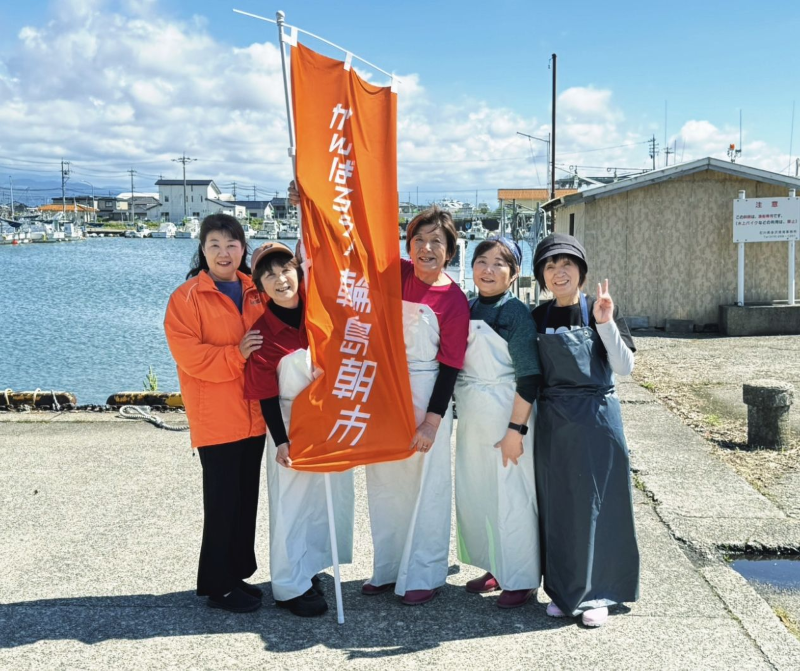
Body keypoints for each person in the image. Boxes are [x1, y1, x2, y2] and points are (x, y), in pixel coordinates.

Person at [531, 233, 639, 628]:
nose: (559, 272)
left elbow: (624, 367)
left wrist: (606, 323)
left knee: (601, 506)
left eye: (567, 264)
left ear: (581, 270)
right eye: (550, 266)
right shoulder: (537, 317)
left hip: (596, 421)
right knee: (560, 508)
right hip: (554, 425)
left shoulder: (599, 307)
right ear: (541, 275)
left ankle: (600, 593)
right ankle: (564, 590)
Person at [362, 207, 469, 605]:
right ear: (409, 245)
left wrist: (432, 422)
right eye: (419, 240)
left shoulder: (454, 300)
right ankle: (388, 568)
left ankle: (424, 573)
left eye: (436, 242)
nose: (427, 248)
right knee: (386, 483)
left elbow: (451, 364)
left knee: (429, 486)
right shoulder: (397, 275)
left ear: (450, 251)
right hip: (387, 390)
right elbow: (350, 251)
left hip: (428, 393)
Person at [243, 242, 354, 618]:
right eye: (269, 275)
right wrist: (281, 441)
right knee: (290, 505)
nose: (280, 279)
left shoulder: (319, 315)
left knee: (325, 501)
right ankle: (289, 586)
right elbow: (265, 393)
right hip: (291, 424)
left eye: (285, 270)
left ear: (298, 272)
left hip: (328, 421)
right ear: (260, 287)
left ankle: (311, 569)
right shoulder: (263, 333)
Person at [164, 213, 266, 613]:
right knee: (222, 502)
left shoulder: (256, 290)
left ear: (243, 248)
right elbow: (190, 358)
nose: (224, 253)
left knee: (245, 499)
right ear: (202, 250)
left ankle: (236, 574)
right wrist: (236, 354)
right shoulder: (186, 297)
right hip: (217, 417)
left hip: (255, 414)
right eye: (214, 245)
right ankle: (216, 585)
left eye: (232, 244)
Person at [454, 237, 542, 609]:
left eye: (499, 264)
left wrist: (515, 431)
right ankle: (495, 566)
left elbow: (530, 376)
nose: (488, 270)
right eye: (482, 261)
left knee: (513, 496)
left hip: (508, 413)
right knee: (480, 494)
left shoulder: (515, 313)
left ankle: (520, 577)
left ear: (514, 274)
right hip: (474, 415)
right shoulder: (468, 307)